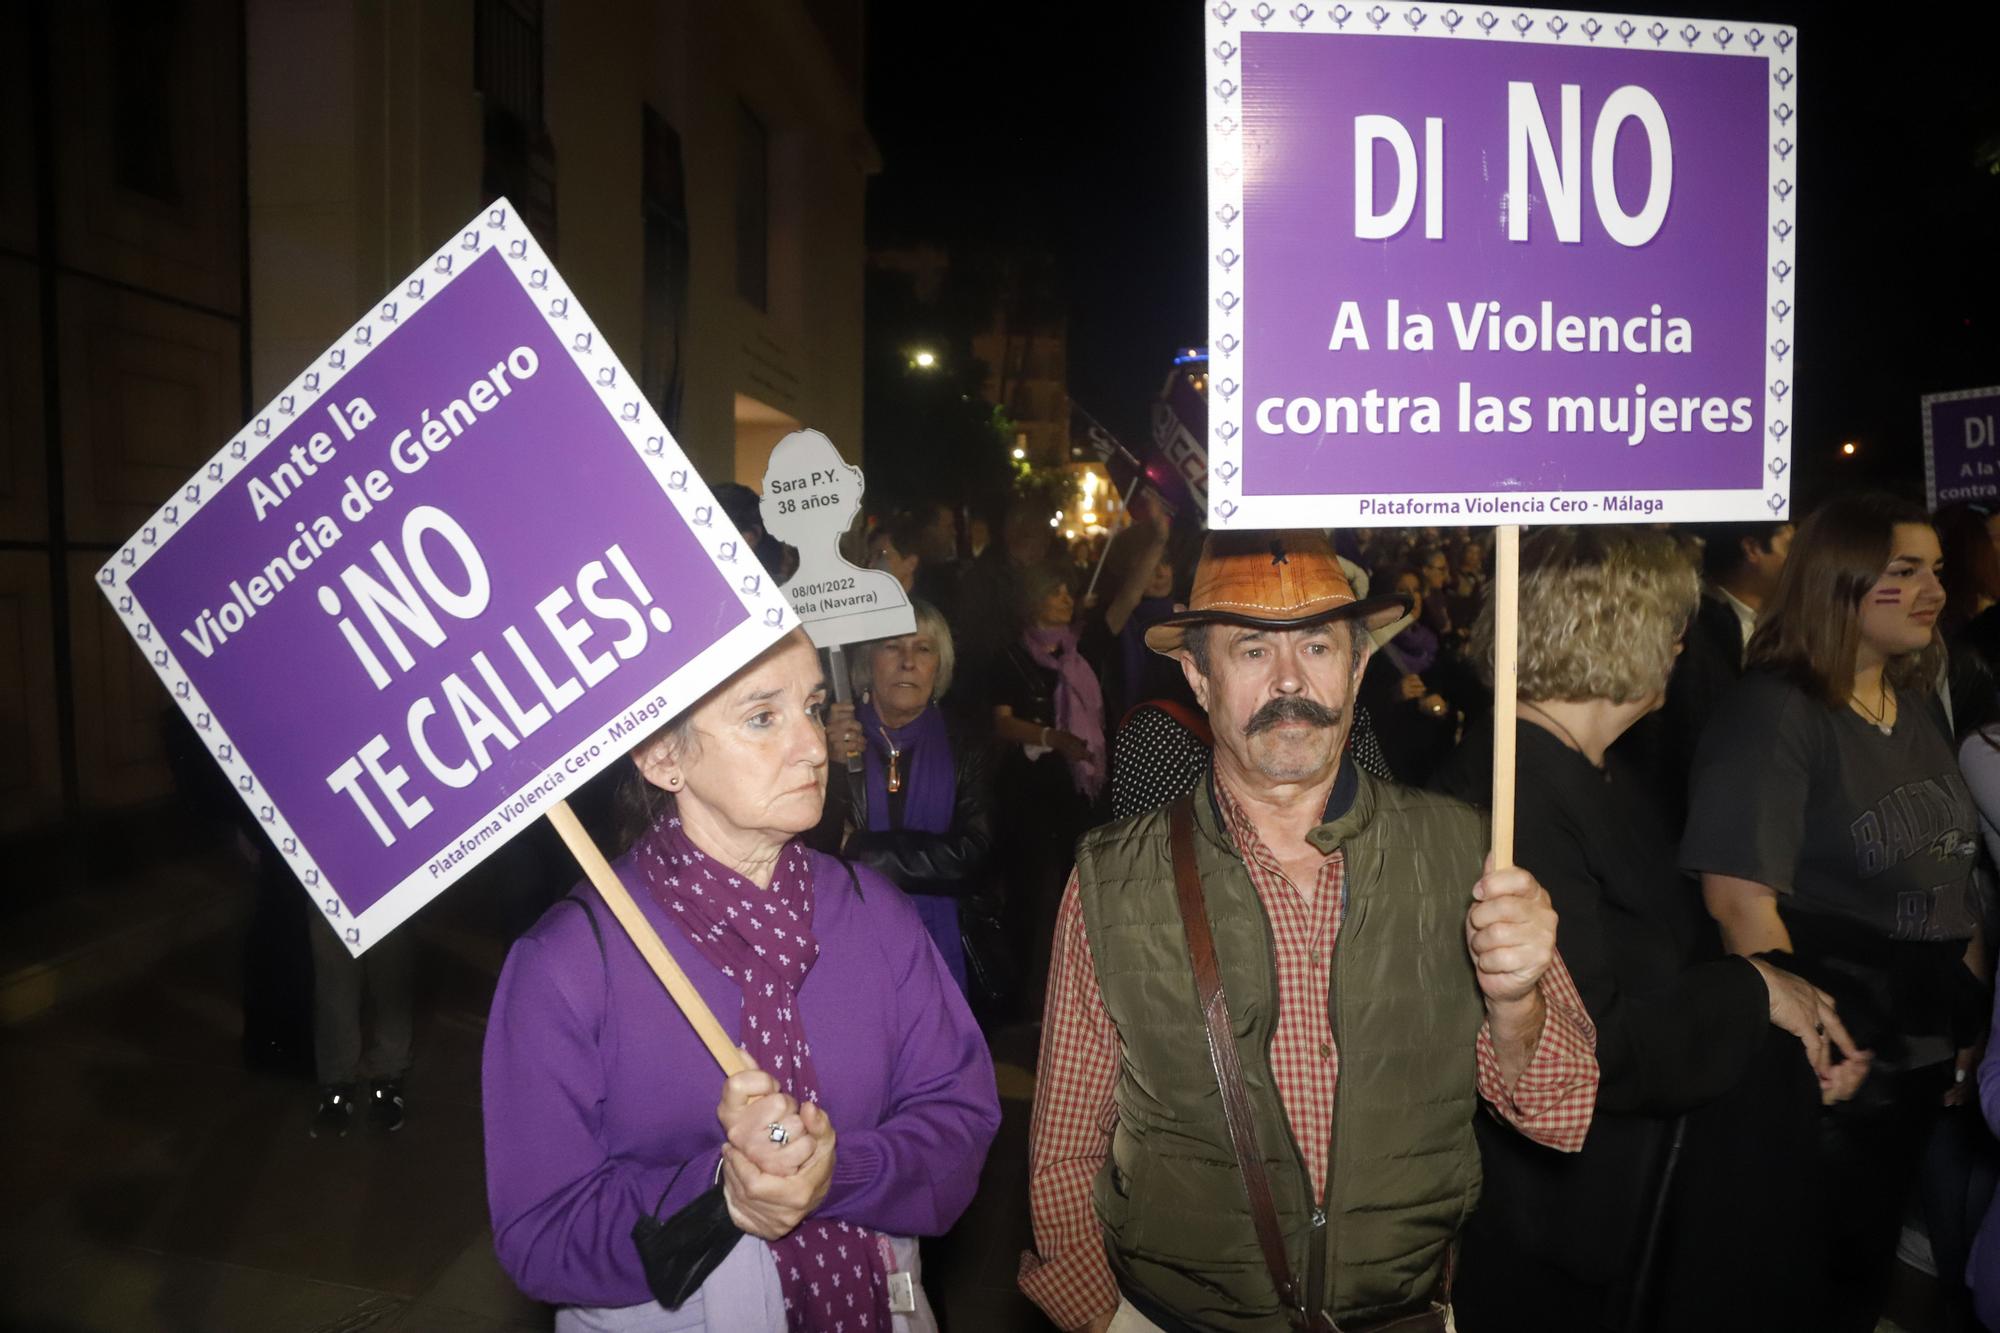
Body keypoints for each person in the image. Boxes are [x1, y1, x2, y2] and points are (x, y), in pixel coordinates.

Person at [1019, 530, 1598, 1333]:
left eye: (1319, 645)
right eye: (1253, 650)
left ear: (1359, 666)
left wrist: (1517, 1001)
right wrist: (1106, 1318)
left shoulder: (1463, 849)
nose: (1290, 681)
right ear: (1198, 673)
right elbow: (1064, 1151)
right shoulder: (1112, 879)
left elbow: (1561, 1113)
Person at [483, 630, 1001, 1330]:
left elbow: (960, 1124)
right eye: (763, 717)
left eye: (813, 707)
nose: (816, 747)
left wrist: (837, 1168)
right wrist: (722, 1195)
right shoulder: (568, 964)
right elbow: (541, 1233)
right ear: (664, 754)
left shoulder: (875, 915)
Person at [1432, 527, 1840, 1332]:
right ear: (1617, 629)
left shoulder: (1592, 767)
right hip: (1560, 1234)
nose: (1683, 645)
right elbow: (1592, 1048)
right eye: (1673, 625)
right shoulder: (1516, 800)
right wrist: (1754, 987)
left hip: (1622, 1210)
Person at [1682, 493, 1988, 1333]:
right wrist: (1821, 1052)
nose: (1935, 587)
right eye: (1904, 571)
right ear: (1839, 583)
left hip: (1923, 1051)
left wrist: (1968, 1025)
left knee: (1894, 1263)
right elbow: (1739, 897)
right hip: (1842, 1069)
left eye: (1935, 569)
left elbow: (1956, 883)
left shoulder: (1909, 702)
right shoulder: (1774, 710)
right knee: (1818, 1285)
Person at [811, 600, 992, 1000]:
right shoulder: (826, 738)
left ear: (939, 667)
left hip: (947, 945)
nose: (908, 662)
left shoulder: (967, 743)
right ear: (867, 661)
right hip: (847, 944)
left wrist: (858, 846)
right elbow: (812, 851)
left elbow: (971, 855)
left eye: (923, 649)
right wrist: (834, 767)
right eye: (893, 646)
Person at [991, 562, 1107, 1010]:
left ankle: (1073, 987)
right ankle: (1023, 995)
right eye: (1054, 590)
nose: (1064, 598)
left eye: (1067, 592)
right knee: (1027, 892)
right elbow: (1001, 723)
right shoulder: (1012, 657)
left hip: (1077, 788)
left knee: (1072, 888)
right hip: (1030, 788)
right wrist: (1049, 737)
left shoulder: (1081, 653)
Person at [1356, 566, 1458, 786]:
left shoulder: (1431, 638)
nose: (1413, 597)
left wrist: (1441, 707)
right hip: (1395, 768)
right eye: (1403, 590)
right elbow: (1360, 712)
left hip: (1435, 764)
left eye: (1416, 589)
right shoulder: (1371, 648)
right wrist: (1393, 696)